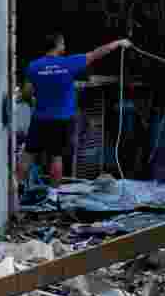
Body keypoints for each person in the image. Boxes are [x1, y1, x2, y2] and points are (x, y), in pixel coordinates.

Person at [17, 33, 131, 189]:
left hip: (40, 119)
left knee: (27, 156)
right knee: (56, 158)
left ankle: (15, 193)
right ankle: (53, 196)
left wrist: (33, 101)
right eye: (63, 44)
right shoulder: (69, 64)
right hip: (61, 120)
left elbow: (26, 94)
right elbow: (97, 53)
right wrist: (119, 43)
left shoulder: (34, 66)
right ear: (58, 45)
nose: (64, 46)